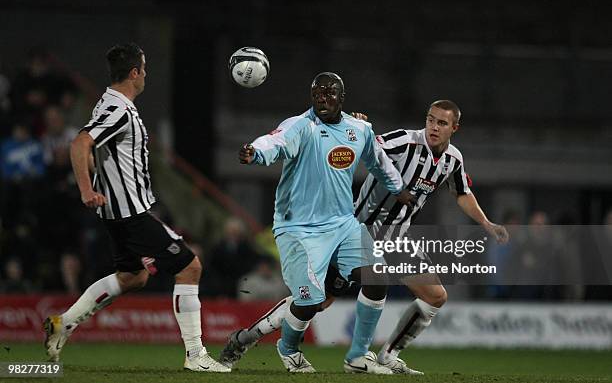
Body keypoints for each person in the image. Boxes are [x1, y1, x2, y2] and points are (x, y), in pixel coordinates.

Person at [221, 99, 509, 374]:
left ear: (454, 128)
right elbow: (365, 144)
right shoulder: (402, 141)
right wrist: (355, 126)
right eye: (431, 120)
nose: (434, 127)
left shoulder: (453, 160)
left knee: (435, 296)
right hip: (359, 230)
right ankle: (246, 338)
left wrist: (486, 223)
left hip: (397, 237)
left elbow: (461, 192)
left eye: (442, 123)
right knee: (316, 302)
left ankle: (388, 355)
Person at [43, 43, 229, 373]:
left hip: (120, 212)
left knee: (133, 277)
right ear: (134, 73)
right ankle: (195, 354)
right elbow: (80, 143)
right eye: (143, 68)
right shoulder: (120, 111)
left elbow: (90, 147)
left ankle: (64, 323)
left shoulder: (108, 103)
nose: (145, 74)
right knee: (190, 267)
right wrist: (87, 188)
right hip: (130, 214)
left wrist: (96, 179)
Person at [233, 72, 415, 374]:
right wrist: (255, 153)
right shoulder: (299, 126)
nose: (323, 99)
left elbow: (378, 162)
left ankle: (357, 357)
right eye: (317, 94)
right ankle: (288, 348)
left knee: (376, 278)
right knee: (310, 302)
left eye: (330, 94)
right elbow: (274, 142)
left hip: (342, 224)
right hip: (298, 228)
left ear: (341, 98)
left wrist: (398, 189)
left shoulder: (359, 129)